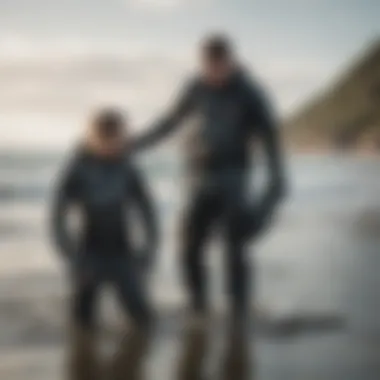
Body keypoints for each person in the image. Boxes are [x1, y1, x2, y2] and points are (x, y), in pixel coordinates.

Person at [133, 34, 286, 326]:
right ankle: (198, 307)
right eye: (207, 67)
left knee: (234, 248)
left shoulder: (250, 93)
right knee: (189, 247)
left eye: (219, 67)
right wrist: (135, 144)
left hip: (234, 177)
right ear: (202, 64)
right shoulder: (195, 87)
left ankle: (238, 312)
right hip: (197, 176)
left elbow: (270, 141)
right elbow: (169, 122)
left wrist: (273, 188)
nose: (213, 74)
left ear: (230, 62)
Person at [50, 109, 158, 379]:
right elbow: (57, 215)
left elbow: (147, 212)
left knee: (143, 320)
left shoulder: (128, 167)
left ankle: (133, 361)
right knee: (82, 324)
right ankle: (82, 365)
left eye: (117, 141)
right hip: (88, 252)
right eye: (105, 141)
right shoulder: (78, 167)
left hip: (122, 252)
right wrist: (70, 254)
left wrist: (148, 251)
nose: (111, 147)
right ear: (92, 137)